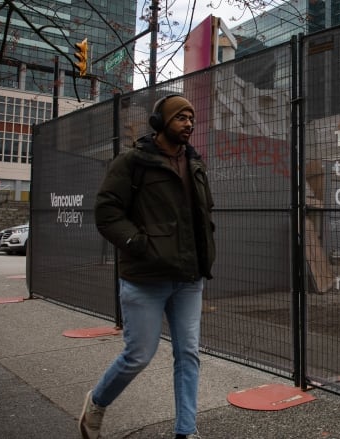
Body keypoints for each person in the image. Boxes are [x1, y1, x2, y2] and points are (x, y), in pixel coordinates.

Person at [80, 94, 215, 439]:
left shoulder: (196, 164)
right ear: (160, 123)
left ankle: (187, 431)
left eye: (191, 117)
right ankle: (96, 402)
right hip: (145, 278)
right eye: (181, 117)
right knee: (138, 354)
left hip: (188, 278)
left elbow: (202, 215)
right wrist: (139, 244)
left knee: (188, 353)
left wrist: (204, 254)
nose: (189, 123)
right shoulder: (132, 163)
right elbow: (107, 213)